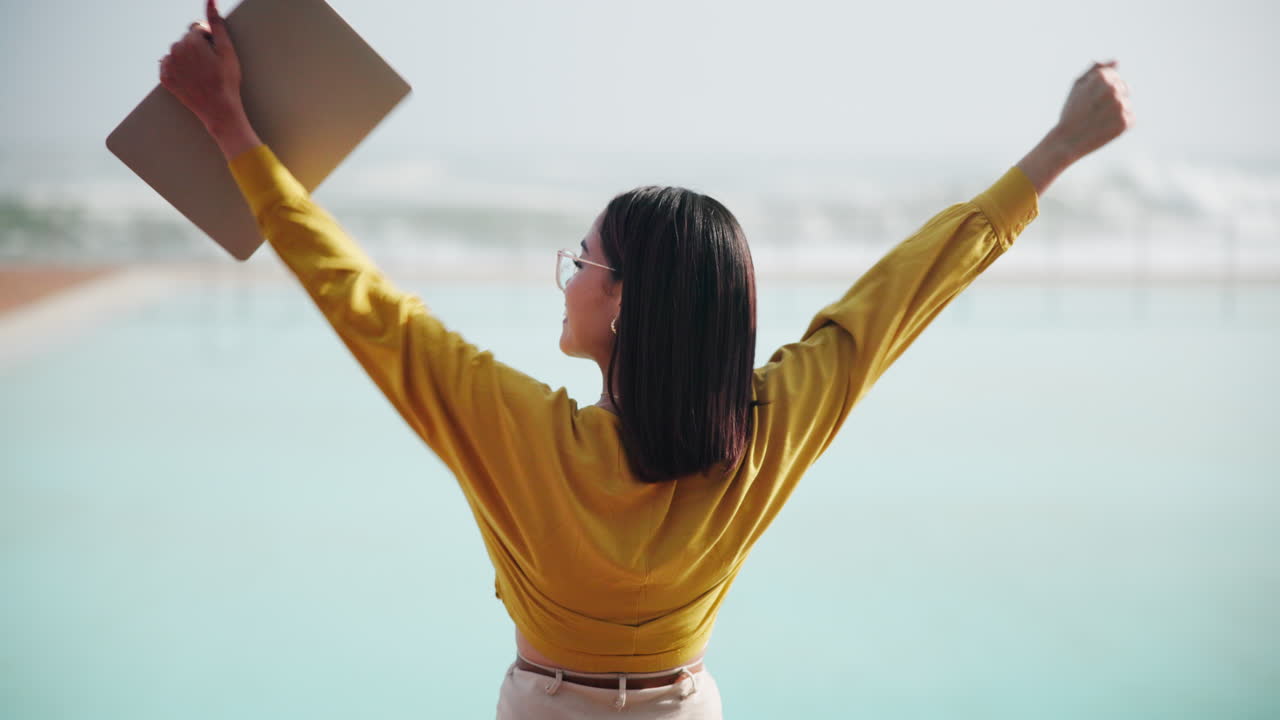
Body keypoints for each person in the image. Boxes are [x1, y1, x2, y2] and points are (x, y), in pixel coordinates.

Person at [160, 2, 1134, 717]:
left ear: (620, 298)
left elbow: (357, 298)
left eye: (580, 259)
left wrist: (230, 126)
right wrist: (1052, 150)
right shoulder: (764, 431)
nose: (568, 275)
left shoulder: (514, 431)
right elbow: (902, 295)